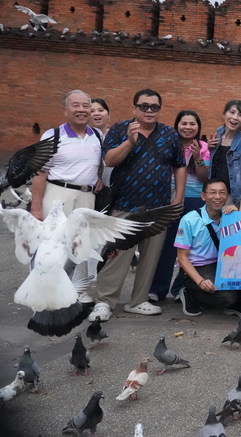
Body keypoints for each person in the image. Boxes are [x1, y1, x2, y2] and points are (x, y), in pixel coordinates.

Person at [89, 88, 186, 322]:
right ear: (134, 108)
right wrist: (129, 142)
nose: (149, 110)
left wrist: (178, 198)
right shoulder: (120, 129)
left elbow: (179, 165)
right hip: (125, 205)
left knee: (150, 258)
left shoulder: (169, 134)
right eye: (144, 106)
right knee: (117, 256)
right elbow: (109, 160)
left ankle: (139, 300)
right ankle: (104, 301)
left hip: (158, 207)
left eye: (154, 107)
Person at [28, 90, 104, 305]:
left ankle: (76, 291)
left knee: (81, 246)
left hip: (87, 197)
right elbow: (40, 172)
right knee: (51, 247)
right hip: (57, 195)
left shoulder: (97, 135)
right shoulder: (52, 136)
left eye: (86, 106)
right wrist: (36, 207)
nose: (81, 110)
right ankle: (43, 295)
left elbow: (97, 163)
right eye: (75, 105)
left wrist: (98, 177)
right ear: (65, 110)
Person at [173, 178, 241, 318]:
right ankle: (190, 294)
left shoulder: (230, 217)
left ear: (227, 197)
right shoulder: (189, 220)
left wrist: (238, 216)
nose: (217, 197)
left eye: (222, 193)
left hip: (223, 263)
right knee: (226, 297)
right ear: (203, 196)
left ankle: (234, 302)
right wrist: (200, 281)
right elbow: (181, 257)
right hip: (199, 267)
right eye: (212, 192)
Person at [150, 110, 210, 303]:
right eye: (184, 123)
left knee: (191, 248)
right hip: (170, 199)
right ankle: (157, 289)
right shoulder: (168, 143)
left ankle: (181, 288)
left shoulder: (203, 146)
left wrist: (197, 157)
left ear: (198, 127)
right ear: (177, 125)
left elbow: (204, 177)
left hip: (194, 200)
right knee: (166, 245)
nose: (188, 127)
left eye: (192, 124)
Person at [208, 100, 241, 208]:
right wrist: (209, 148)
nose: (235, 117)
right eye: (232, 112)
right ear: (224, 114)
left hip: (230, 197)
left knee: (228, 219)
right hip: (212, 192)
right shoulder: (218, 133)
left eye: (240, 115)